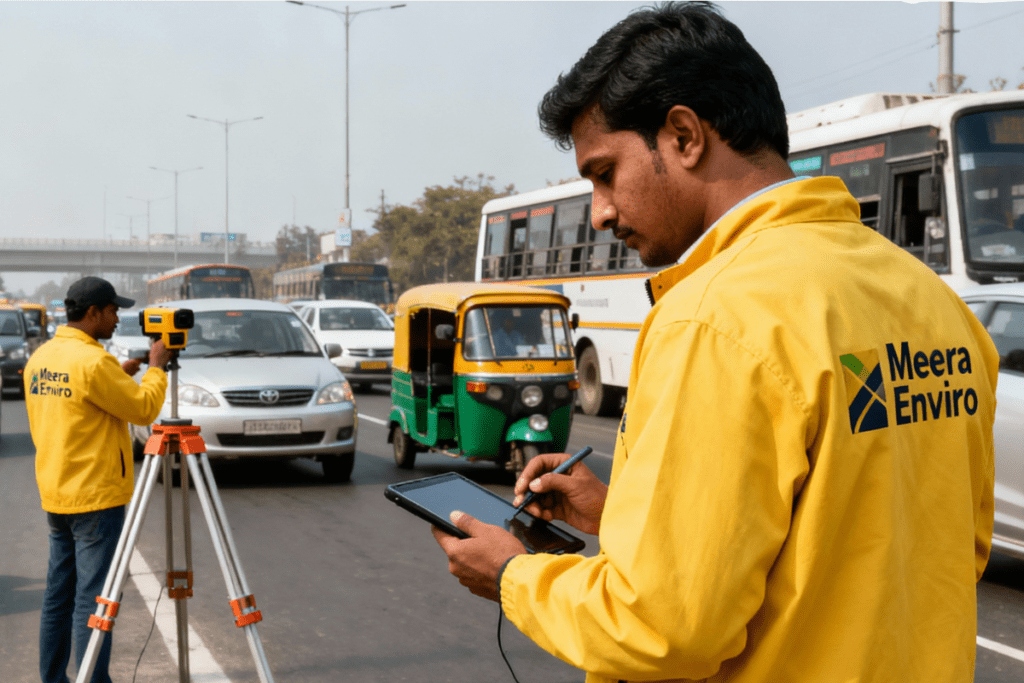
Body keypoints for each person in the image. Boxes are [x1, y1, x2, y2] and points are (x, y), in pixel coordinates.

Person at [431, 3, 999, 682]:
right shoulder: (931, 301)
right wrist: (625, 513)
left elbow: (665, 628)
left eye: (606, 172)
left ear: (684, 135)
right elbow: (927, 542)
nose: (602, 211)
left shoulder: (713, 318)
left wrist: (513, 574)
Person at [25, 277, 171, 683]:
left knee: (58, 599)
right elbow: (142, 409)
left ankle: (53, 679)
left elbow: (77, 405)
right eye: (112, 311)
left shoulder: (43, 357)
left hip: (57, 495)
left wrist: (121, 374)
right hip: (96, 499)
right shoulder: (93, 362)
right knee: (95, 602)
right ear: (93, 313)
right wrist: (156, 369)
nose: (117, 318)